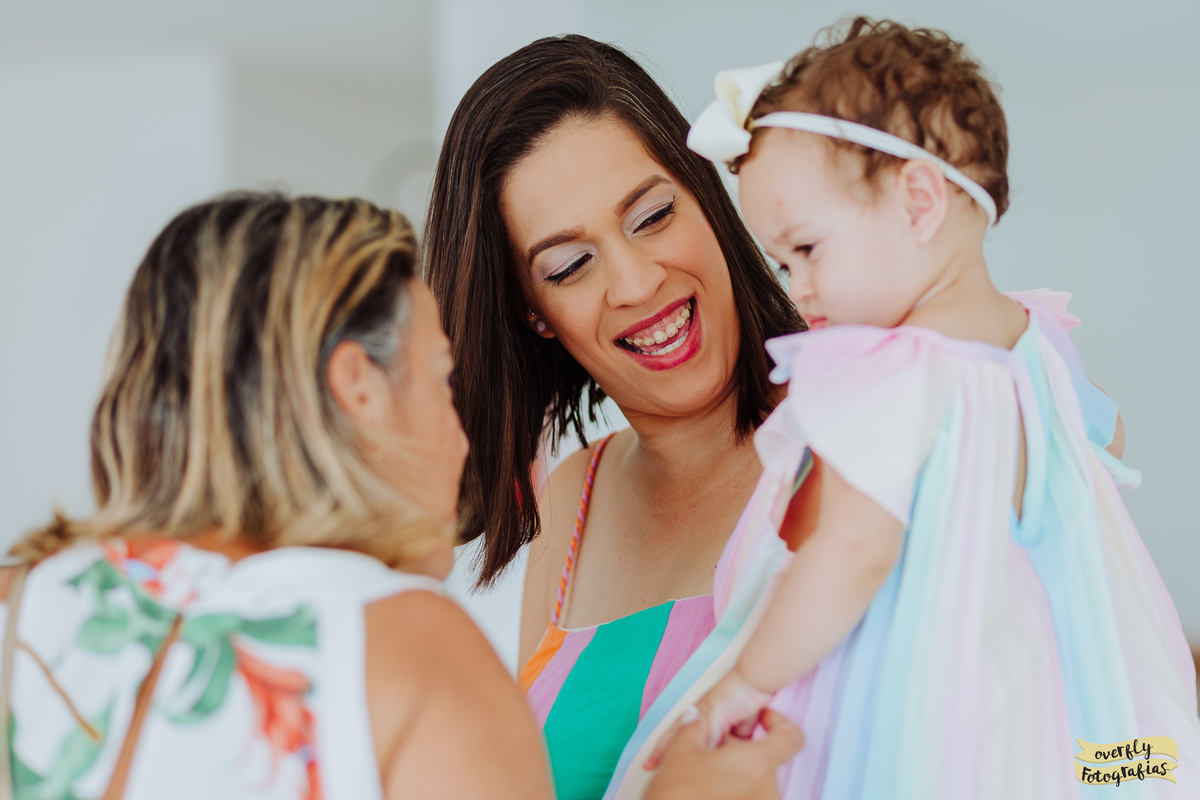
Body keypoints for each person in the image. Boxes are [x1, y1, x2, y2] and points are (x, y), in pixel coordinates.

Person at [0, 192, 801, 800]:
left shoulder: (24, 610)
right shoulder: (400, 642)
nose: (462, 437)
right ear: (358, 386)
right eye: (440, 380)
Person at [660, 17, 1200, 798]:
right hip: (1057, 683)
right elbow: (1109, 434)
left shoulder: (889, 370)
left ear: (919, 203)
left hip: (931, 696)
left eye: (806, 250)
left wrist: (742, 681)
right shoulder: (1036, 338)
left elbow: (852, 553)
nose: (795, 288)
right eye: (781, 263)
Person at [422, 33, 804, 800]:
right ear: (534, 313)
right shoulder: (574, 501)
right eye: (568, 266)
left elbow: (1101, 733)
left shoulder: (863, 431)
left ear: (706, 196)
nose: (635, 283)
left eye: (653, 215)